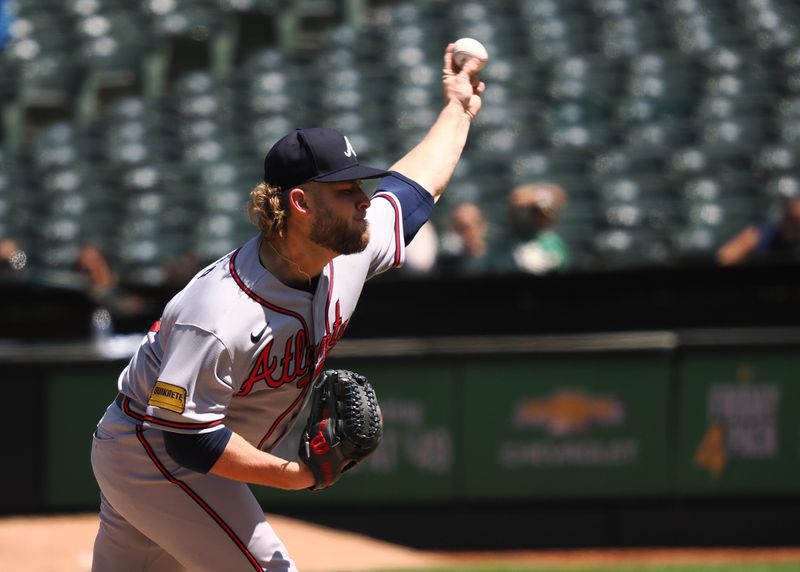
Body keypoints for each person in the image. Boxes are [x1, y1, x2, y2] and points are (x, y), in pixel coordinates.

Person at [90, 44, 484, 572]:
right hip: (155, 456)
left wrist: (458, 109)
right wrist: (295, 473)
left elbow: (414, 190)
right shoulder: (219, 310)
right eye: (346, 191)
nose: (364, 200)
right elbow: (186, 438)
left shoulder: (349, 249)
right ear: (301, 204)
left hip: (165, 451)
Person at [503, 181, 570, 274]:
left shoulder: (554, 242)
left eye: (545, 214)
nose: (542, 218)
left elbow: (560, 195)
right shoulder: (507, 244)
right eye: (536, 213)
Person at [716, 195, 800, 265]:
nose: (795, 227)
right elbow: (724, 258)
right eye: (793, 221)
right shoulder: (758, 235)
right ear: (785, 218)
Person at [437, 201, 495, 274]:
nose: (463, 234)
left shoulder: (498, 259)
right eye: (459, 227)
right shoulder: (448, 263)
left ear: (482, 226)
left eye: (467, 227)